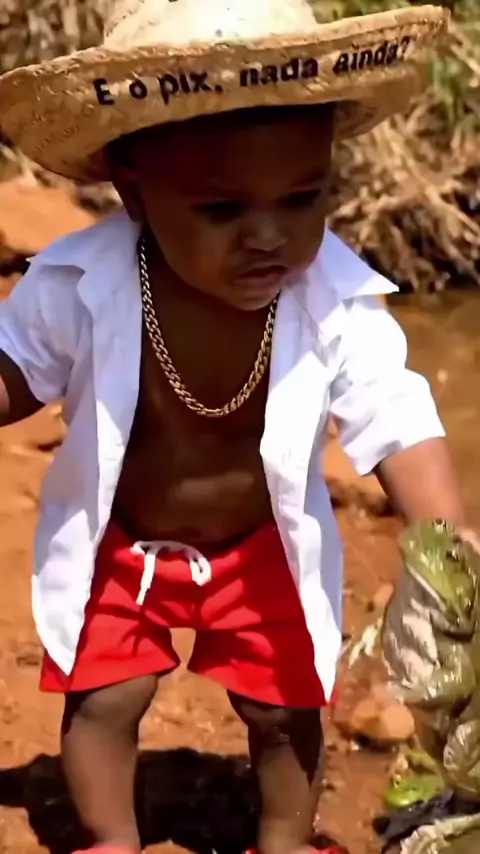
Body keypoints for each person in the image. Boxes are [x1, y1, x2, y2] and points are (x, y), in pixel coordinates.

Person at [0, 1, 466, 853]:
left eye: (303, 198)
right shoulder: (80, 283)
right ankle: (111, 834)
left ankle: (284, 838)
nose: (268, 235)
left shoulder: (329, 293)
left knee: (283, 707)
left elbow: (393, 407)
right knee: (104, 698)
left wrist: (447, 535)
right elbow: (17, 370)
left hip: (261, 547)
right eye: (220, 209)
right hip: (125, 542)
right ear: (133, 191)